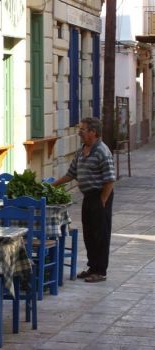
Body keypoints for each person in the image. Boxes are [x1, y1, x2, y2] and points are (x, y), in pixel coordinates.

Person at [53, 117, 115, 283]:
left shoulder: (102, 151)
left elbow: (110, 180)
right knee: (89, 233)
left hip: (100, 195)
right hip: (88, 196)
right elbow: (70, 174)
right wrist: (53, 185)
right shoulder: (82, 151)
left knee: (100, 234)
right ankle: (92, 267)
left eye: (82, 130)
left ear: (92, 133)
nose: (79, 132)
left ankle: (100, 271)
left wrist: (102, 201)